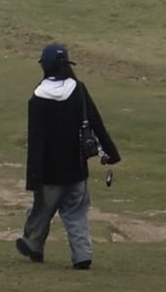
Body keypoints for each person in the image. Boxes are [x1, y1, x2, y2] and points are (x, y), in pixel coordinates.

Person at [17, 43, 120, 270]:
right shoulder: (78, 90)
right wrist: (112, 153)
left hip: (49, 172)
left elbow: (36, 142)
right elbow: (96, 123)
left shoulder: (38, 97)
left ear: (44, 66)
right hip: (77, 168)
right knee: (76, 215)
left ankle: (33, 245)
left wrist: (32, 178)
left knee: (41, 211)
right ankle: (82, 256)